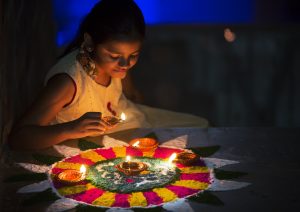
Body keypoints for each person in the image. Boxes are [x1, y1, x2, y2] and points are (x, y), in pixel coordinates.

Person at [9, 0, 208, 150]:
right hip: (89, 142)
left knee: (200, 126)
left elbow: (126, 85)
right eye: (114, 55)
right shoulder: (68, 82)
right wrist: (70, 128)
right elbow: (20, 137)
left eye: (134, 55)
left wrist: (132, 93)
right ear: (89, 43)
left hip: (129, 120)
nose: (125, 64)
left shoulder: (116, 65)